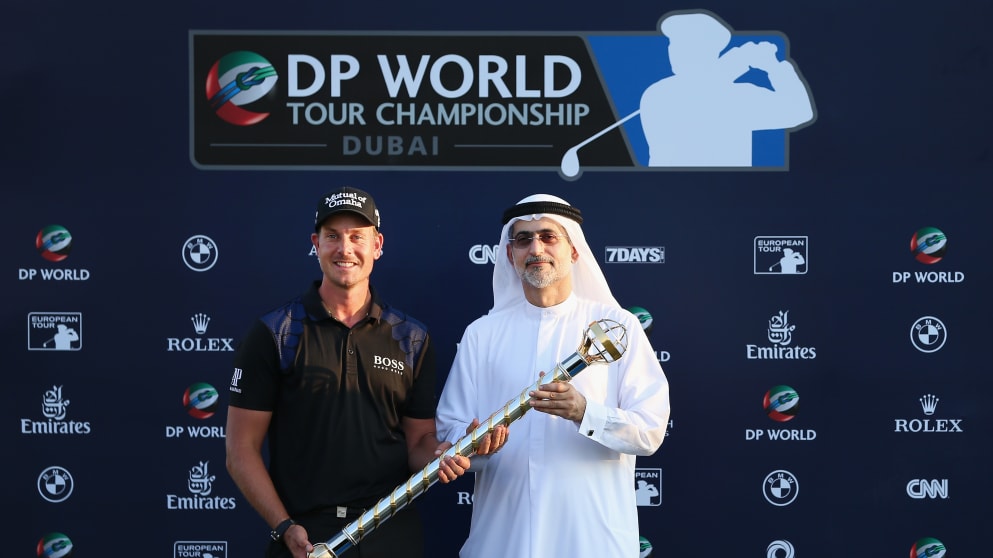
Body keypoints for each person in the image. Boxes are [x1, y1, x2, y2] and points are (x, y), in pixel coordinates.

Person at [226, 186, 493, 558]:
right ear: (315, 244)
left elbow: (417, 443)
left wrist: (442, 455)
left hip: (390, 528)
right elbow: (240, 450)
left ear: (377, 245)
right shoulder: (276, 332)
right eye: (332, 236)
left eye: (357, 237)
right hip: (305, 534)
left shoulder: (411, 337)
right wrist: (284, 526)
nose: (344, 248)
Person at [436, 193, 671, 557]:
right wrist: (471, 443)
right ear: (510, 254)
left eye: (548, 236)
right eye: (524, 239)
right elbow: (451, 430)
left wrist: (584, 412)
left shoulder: (617, 328)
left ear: (573, 250)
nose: (536, 248)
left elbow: (650, 430)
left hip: (592, 540)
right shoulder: (481, 334)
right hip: (503, 539)